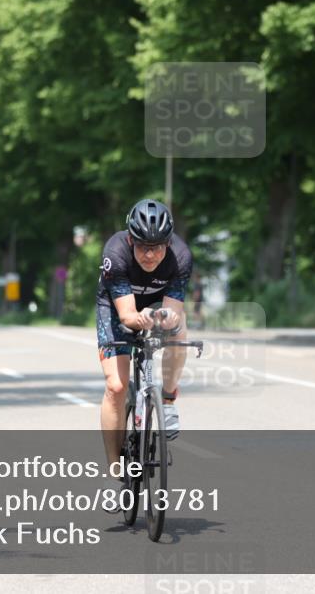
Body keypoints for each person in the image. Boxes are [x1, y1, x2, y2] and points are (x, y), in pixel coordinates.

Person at [96, 199, 191, 508]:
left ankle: (167, 399)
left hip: (155, 304)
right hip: (117, 308)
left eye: (158, 247)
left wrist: (167, 318)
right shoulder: (115, 253)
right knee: (116, 387)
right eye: (143, 247)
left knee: (179, 332)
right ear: (130, 240)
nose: (150, 254)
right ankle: (114, 474)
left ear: (168, 243)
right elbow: (126, 316)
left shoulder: (181, 257)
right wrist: (143, 318)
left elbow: (173, 310)